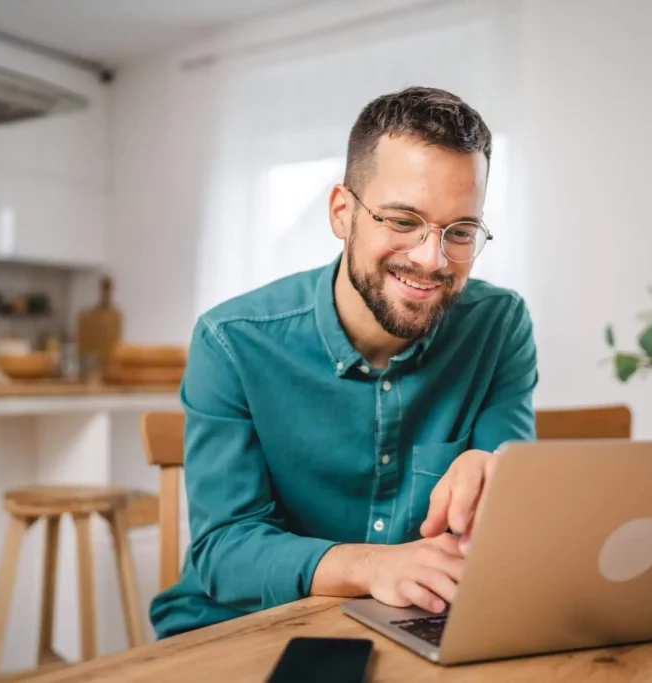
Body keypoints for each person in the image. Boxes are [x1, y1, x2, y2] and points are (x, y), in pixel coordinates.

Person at [150, 86, 538, 638]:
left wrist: (501, 475)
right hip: (244, 626)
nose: (432, 259)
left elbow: (508, 507)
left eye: (461, 232)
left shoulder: (499, 326)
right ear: (341, 213)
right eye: (403, 220)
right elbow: (224, 551)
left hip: (415, 625)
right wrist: (374, 566)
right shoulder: (231, 340)